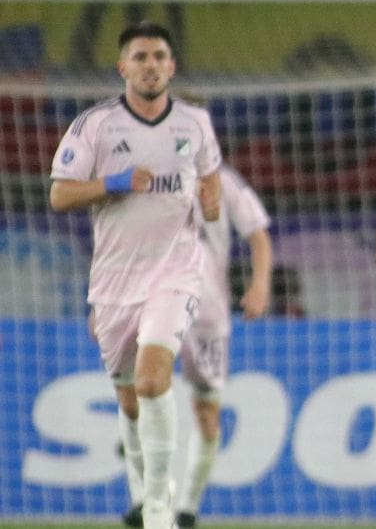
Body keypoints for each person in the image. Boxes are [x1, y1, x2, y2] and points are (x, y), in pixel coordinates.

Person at [49, 22, 222, 529]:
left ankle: (160, 510)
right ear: (122, 67)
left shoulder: (195, 124)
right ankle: (143, 492)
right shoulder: (94, 126)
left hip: (176, 275)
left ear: (172, 67)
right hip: (115, 283)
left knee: (152, 381)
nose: (150, 65)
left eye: (159, 56)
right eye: (140, 57)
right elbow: (60, 195)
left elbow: (209, 194)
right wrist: (115, 182)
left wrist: (210, 206)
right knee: (129, 400)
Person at [117, 159, 273, 529]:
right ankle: (145, 500)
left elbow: (259, 234)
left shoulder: (227, 181)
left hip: (207, 313)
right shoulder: (145, 178)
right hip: (150, 302)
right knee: (138, 394)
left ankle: (186, 509)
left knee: (206, 414)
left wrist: (260, 284)